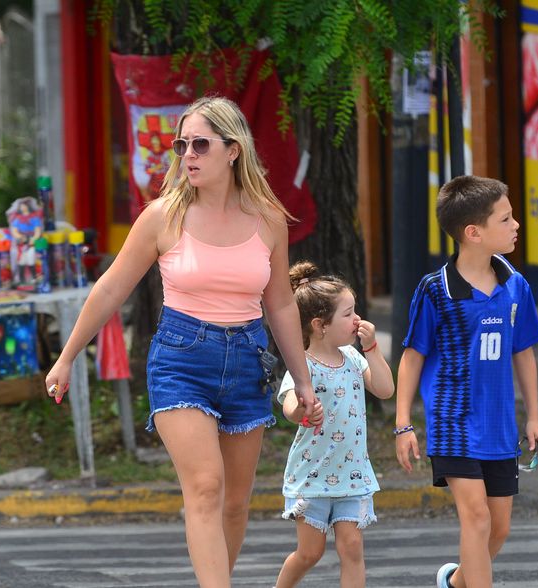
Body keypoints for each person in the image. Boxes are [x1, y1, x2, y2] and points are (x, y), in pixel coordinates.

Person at [44, 96, 316, 587]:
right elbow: (110, 288)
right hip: (181, 359)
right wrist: (67, 357)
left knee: (235, 502)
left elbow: (278, 304)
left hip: (249, 360)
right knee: (206, 487)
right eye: (180, 145)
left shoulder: (267, 218)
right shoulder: (162, 217)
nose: (187, 154)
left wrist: (303, 380)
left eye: (200, 144)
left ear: (233, 150)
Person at [394, 175, 538, 588]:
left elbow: (524, 351)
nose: (516, 225)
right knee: (476, 519)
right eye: (506, 218)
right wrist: (404, 423)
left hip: (500, 428)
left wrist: (533, 417)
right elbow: (412, 358)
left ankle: (455, 582)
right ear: (473, 233)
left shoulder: (516, 286)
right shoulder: (435, 291)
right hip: (453, 425)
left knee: (498, 529)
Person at [273, 262, 394, 588]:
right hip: (313, 475)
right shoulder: (303, 364)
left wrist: (371, 349)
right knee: (310, 552)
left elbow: (384, 389)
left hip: (352, 473)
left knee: (352, 547)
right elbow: (288, 408)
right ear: (319, 325)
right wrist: (302, 409)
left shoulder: (353, 358)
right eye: (348, 313)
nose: (357, 320)